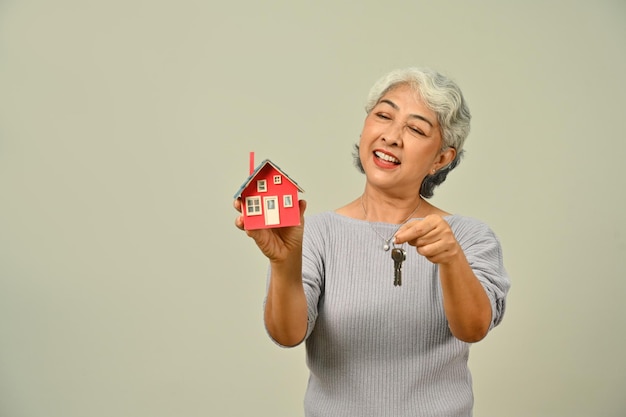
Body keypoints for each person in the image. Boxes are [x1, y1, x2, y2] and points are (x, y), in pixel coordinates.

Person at [233, 67, 510, 417]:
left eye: (415, 129)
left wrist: (452, 259)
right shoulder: (318, 233)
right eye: (383, 115)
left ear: (441, 159)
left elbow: (473, 329)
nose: (392, 136)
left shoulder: (469, 237)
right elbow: (287, 335)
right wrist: (283, 261)